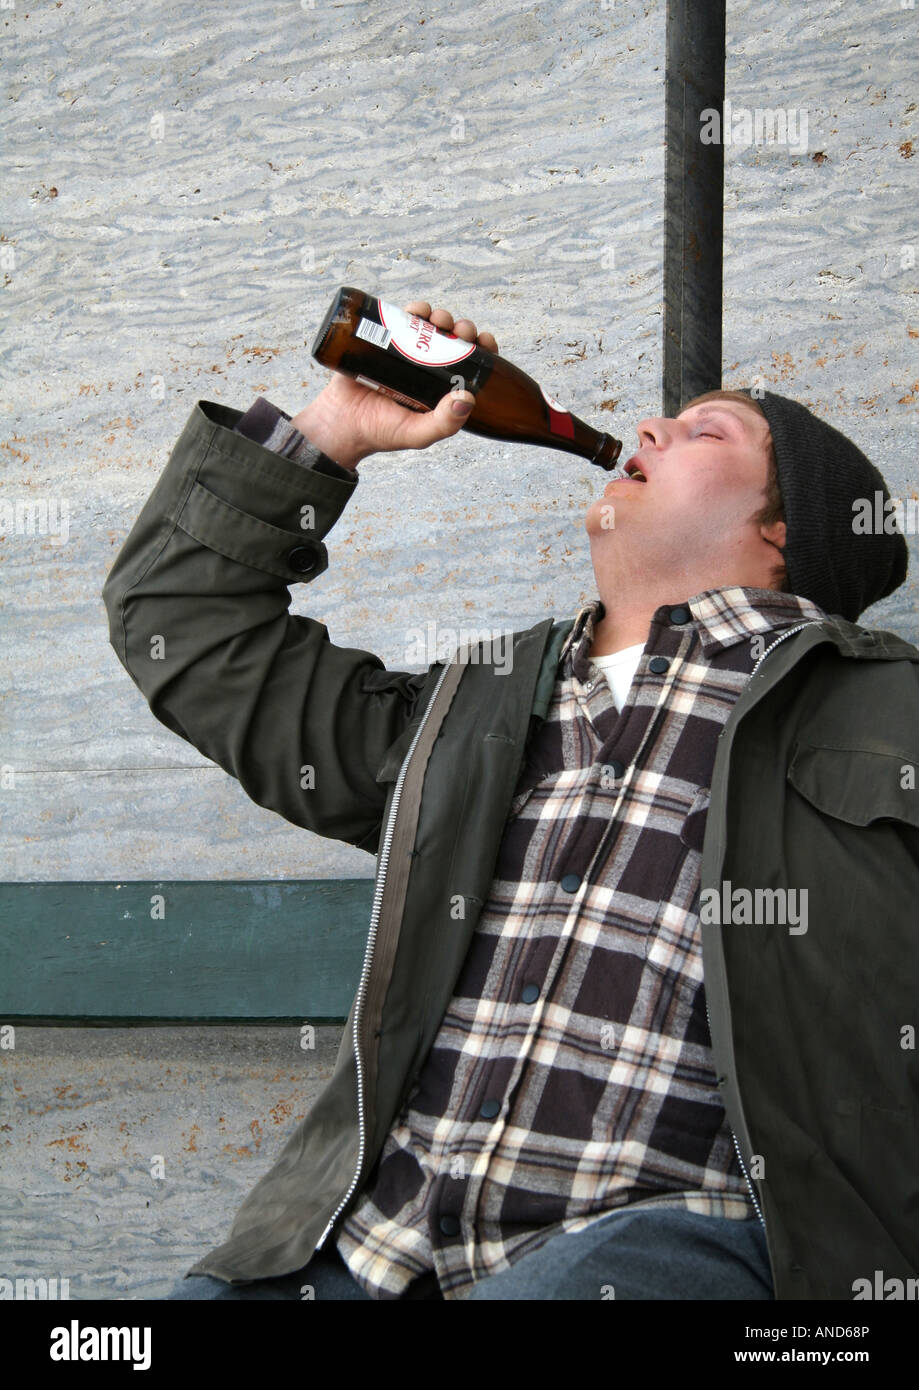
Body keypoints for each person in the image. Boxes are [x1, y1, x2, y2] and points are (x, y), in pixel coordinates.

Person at [102, 300, 917, 1302]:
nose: (651, 427)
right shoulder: (466, 710)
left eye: (707, 430)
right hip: (357, 1254)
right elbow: (177, 623)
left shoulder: (885, 714)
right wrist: (334, 429)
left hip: (668, 1245)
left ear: (783, 535)